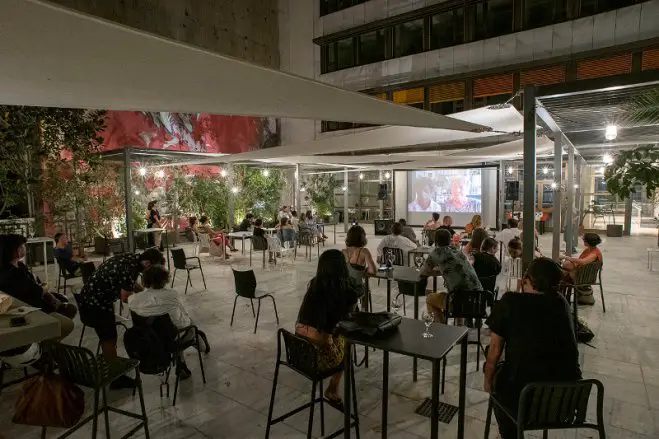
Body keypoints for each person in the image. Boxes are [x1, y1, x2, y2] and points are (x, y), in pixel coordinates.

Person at [484, 258, 581, 439]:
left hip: (525, 401)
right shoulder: (562, 304)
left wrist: (488, 381)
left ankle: (509, 434)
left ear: (527, 279)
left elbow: (494, 352)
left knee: (496, 372)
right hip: (564, 401)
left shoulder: (511, 301)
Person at [77, 248, 164, 388]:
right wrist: (145, 304)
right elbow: (125, 297)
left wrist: (145, 294)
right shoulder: (130, 269)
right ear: (148, 264)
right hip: (96, 304)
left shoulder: (131, 259)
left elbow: (130, 284)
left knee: (109, 337)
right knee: (109, 339)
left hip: (90, 298)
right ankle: (115, 377)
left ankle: (113, 369)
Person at [296, 250, 362, 408]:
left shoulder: (314, 285)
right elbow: (351, 320)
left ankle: (333, 389)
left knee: (334, 335)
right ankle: (334, 389)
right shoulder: (343, 291)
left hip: (298, 351)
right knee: (347, 342)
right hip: (319, 358)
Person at [128, 264, 210, 380]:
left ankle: (182, 362)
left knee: (170, 329)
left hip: (147, 340)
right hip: (170, 339)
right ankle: (200, 345)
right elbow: (182, 323)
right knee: (188, 325)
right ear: (165, 280)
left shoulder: (132, 299)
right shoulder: (171, 295)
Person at [0, 234, 77, 340]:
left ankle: (51, 341)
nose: (25, 248)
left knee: (65, 302)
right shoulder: (12, 274)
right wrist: (48, 295)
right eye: (22, 246)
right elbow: (35, 291)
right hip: (31, 309)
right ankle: (48, 343)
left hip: (37, 302)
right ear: (16, 251)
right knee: (68, 313)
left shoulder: (19, 266)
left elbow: (35, 285)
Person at [422, 229, 482, 322]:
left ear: (435, 241)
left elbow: (423, 271)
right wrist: (443, 271)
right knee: (456, 291)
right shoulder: (457, 250)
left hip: (459, 302)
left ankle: (441, 327)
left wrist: (437, 272)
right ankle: (459, 327)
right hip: (478, 301)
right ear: (450, 240)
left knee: (430, 299)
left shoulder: (436, 253)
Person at [562, 233, 603, 305]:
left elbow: (582, 262)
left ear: (587, 242)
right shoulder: (589, 250)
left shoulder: (594, 253)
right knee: (564, 269)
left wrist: (567, 258)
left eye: (584, 240)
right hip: (582, 274)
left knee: (561, 274)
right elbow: (579, 261)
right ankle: (564, 297)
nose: (583, 241)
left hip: (583, 277)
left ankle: (561, 298)